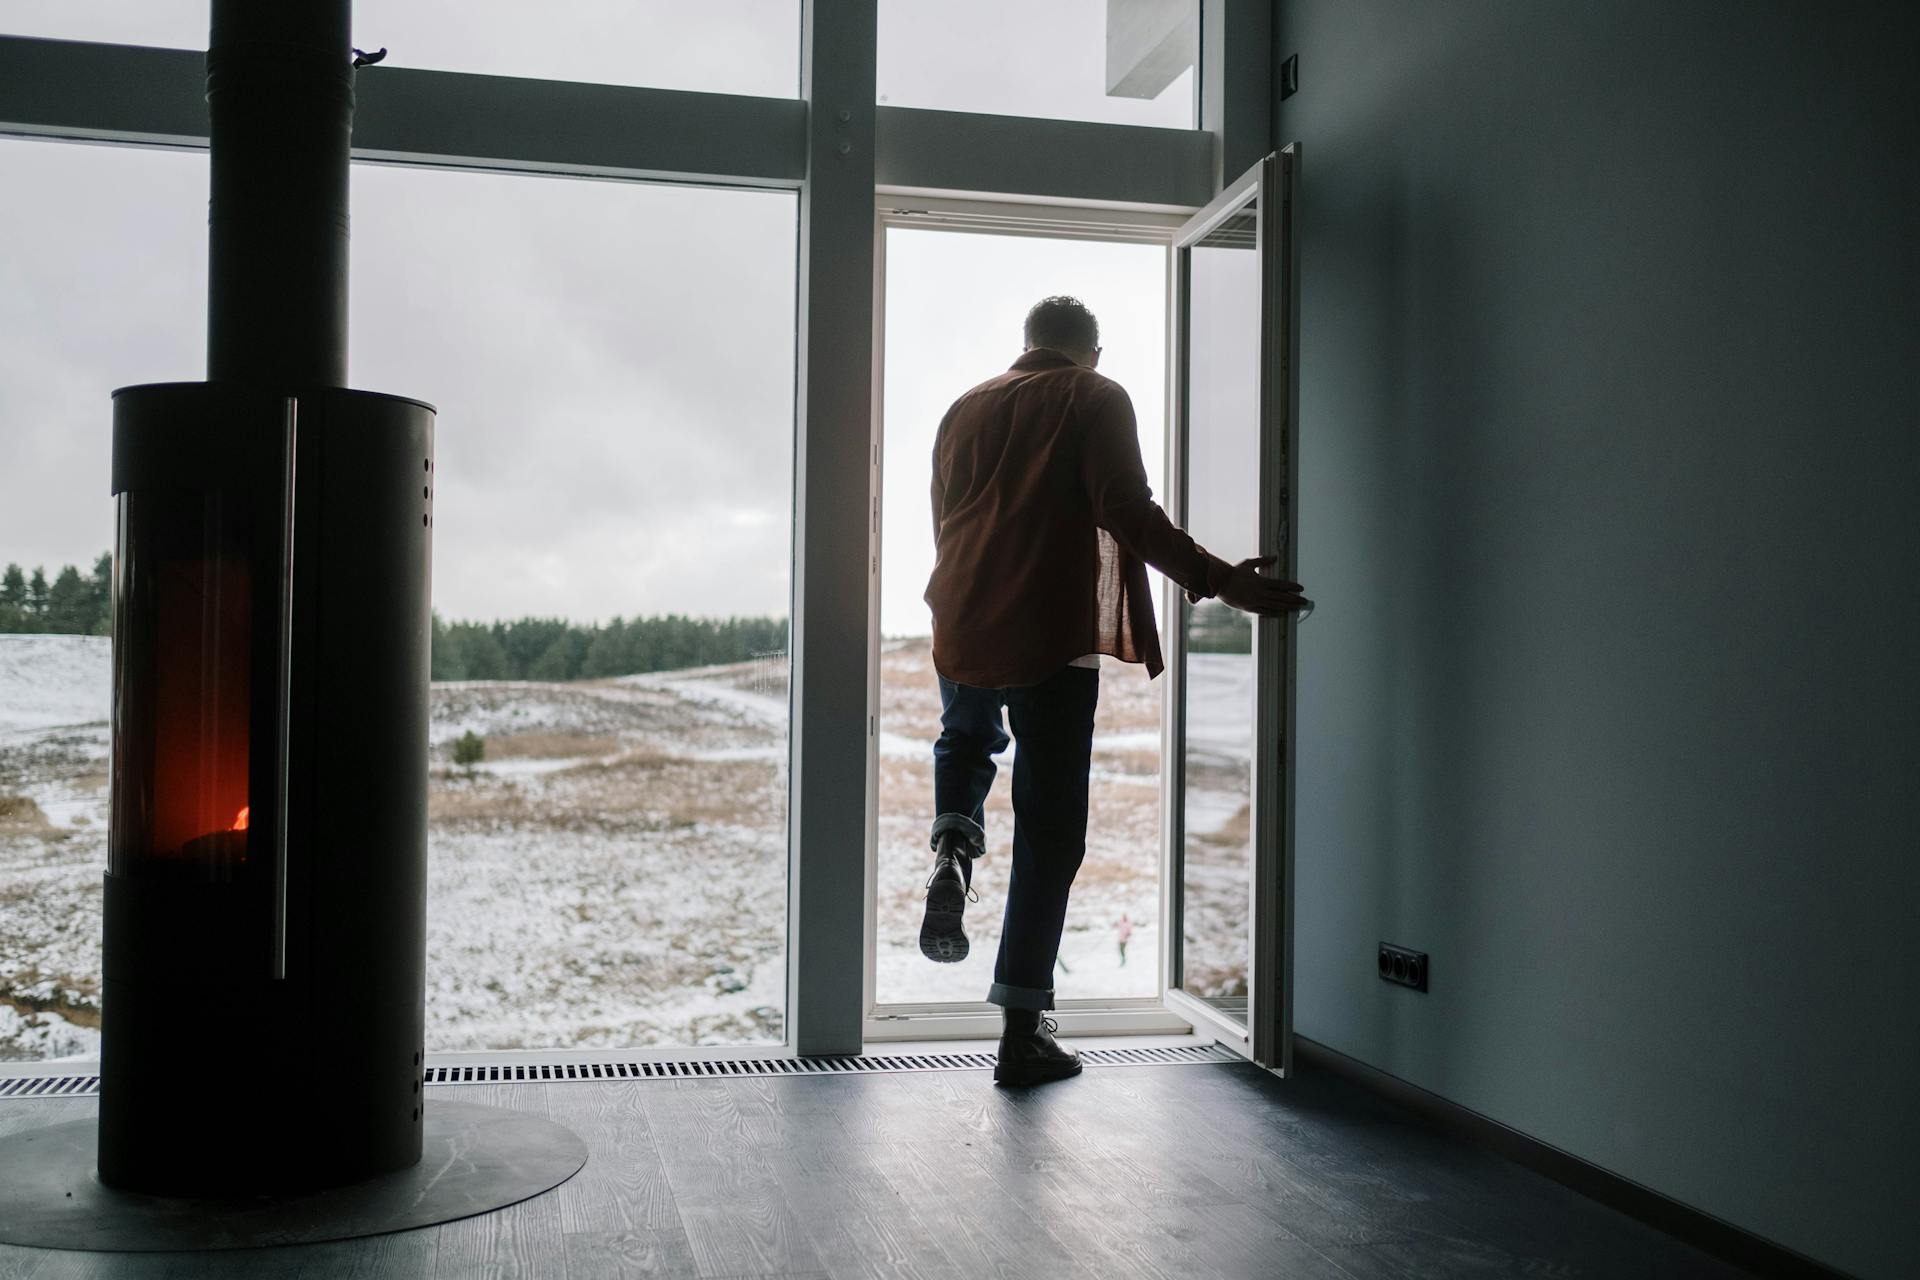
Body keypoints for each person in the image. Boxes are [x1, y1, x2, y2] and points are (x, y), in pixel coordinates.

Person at [920, 295, 1311, 1086]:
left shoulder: (963, 408)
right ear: (1089, 351)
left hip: (959, 618)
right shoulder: (1095, 395)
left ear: (1026, 343)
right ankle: (1022, 1031)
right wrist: (1217, 579)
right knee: (1050, 826)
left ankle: (953, 846)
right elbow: (1126, 510)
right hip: (1051, 632)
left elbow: (947, 518)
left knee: (965, 742)